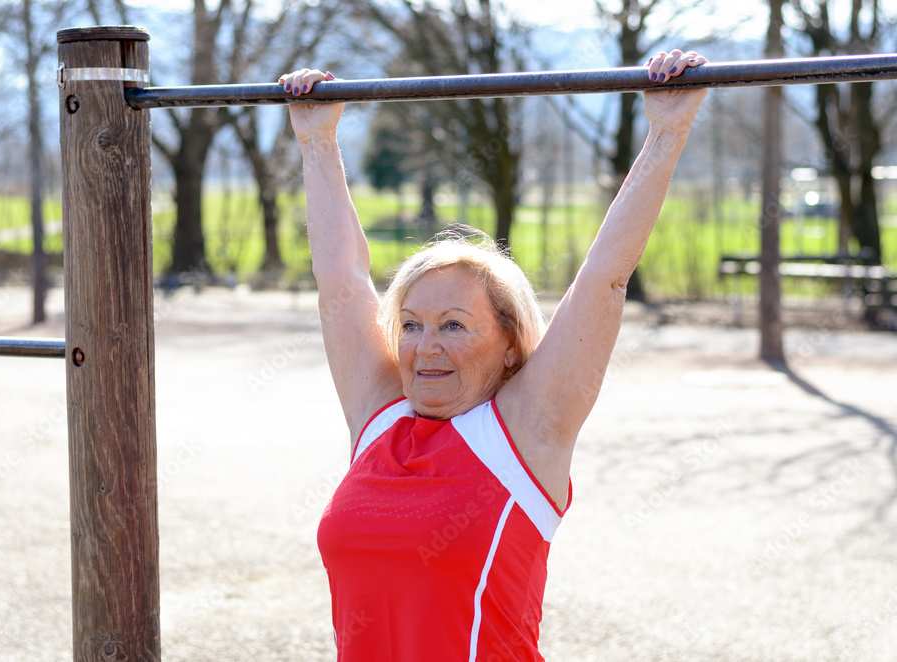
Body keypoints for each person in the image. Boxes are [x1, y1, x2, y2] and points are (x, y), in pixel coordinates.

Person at [279, 49, 708, 661]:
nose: (425, 347)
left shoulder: (526, 435)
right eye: (411, 325)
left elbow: (604, 280)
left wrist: (668, 130)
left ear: (510, 347)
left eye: (454, 326)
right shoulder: (379, 420)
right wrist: (317, 141)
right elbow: (342, 283)